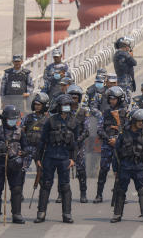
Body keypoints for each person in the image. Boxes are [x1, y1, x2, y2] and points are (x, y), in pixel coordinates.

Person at [34, 94, 77, 224]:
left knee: (65, 186)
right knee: (46, 185)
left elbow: (75, 143)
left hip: (64, 158)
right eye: (64, 105)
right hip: (50, 157)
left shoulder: (74, 122)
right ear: (59, 107)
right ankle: (41, 213)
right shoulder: (50, 121)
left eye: (68, 105)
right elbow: (42, 141)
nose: (66, 107)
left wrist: (73, 159)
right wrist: (38, 158)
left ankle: (67, 214)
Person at [0, 105, 26, 224]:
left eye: (15, 119)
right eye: (10, 119)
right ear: (4, 119)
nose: (13, 121)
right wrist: (1, 148)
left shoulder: (19, 131)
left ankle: (17, 214)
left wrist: (23, 153)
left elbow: (26, 146)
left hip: (15, 164)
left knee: (17, 188)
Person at [110, 108, 143, 223]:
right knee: (120, 190)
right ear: (134, 121)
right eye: (140, 121)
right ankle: (117, 214)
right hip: (125, 167)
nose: (142, 124)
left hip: (138, 167)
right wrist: (115, 169)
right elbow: (116, 153)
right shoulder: (123, 135)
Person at [94, 86, 128, 204]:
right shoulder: (106, 113)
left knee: (121, 171)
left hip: (120, 146)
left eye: (114, 99)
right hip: (107, 144)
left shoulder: (125, 113)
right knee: (103, 169)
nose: (112, 101)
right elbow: (99, 129)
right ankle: (99, 195)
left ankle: (121, 195)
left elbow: (128, 130)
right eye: (110, 99)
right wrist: (109, 139)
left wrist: (117, 140)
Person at [66, 85, 91, 203]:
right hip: (65, 145)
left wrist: (77, 140)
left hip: (78, 145)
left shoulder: (83, 112)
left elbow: (86, 130)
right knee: (63, 169)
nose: (73, 100)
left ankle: (83, 193)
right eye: (71, 97)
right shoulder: (64, 111)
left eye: (75, 98)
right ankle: (62, 194)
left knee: (81, 170)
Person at [21, 93, 49, 174]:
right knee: (20, 174)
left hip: (41, 150)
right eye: (35, 104)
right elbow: (21, 132)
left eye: (39, 105)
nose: (36, 106)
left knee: (42, 176)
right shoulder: (28, 117)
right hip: (27, 149)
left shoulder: (48, 120)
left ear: (44, 106)